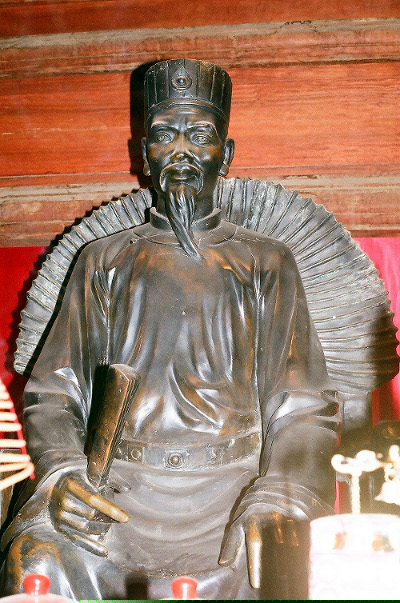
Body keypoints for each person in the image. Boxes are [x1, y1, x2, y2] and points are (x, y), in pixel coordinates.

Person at [0, 59, 340, 600]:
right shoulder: (103, 261)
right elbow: (54, 394)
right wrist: (64, 473)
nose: (181, 150)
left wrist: (278, 493)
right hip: (114, 495)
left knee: (282, 564)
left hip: (232, 494)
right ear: (144, 154)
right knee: (37, 560)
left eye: (200, 136)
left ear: (225, 153)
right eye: (164, 135)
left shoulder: (265, 262)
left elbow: (302, 406)